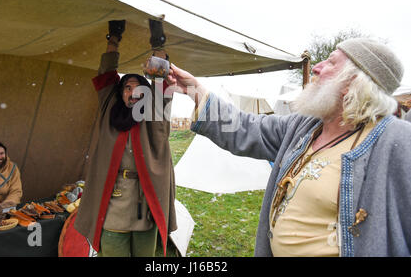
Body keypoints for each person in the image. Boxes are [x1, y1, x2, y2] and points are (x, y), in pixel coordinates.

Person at [166, 38, 411, 257]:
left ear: (352, 82)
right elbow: (246, 127)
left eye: (330, 63)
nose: (316, 67)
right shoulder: (304, 126)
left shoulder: (395, 141)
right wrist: (195, 90)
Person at [74, 20, 177, 257]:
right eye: (126, 88)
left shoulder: (154, 111)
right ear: (119, 94)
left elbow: (161, 81)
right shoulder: (109, 109)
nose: (132, 93)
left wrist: (157, 40)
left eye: (137, 87)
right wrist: (114, 39)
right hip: (113, 203)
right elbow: (106, 75)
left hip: (145, 203)